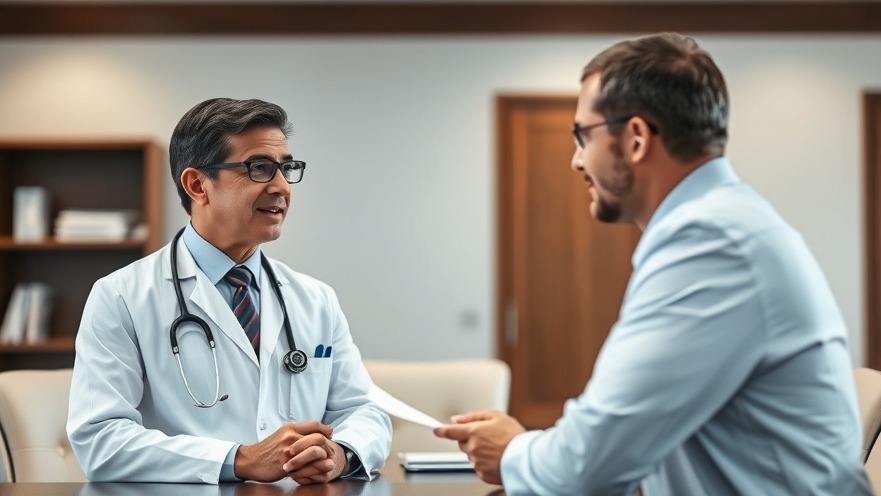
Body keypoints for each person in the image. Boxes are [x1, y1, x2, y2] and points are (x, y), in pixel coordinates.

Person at [435, 33, 872, 495]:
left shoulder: (711, 242)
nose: (576, 160)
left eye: (583, 135)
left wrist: (513, 451)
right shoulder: (723, 225)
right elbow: (627, 442)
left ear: (637, 138)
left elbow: (589, 465)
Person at [67, 98, 391, 484]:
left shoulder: (315, 298)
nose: (282, 187)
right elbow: (100, 441)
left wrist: (340, 454)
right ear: (197, 184)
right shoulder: (120, 296)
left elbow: (364, 410)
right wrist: (238, 459)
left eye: (286, 169)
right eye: (259, 168)